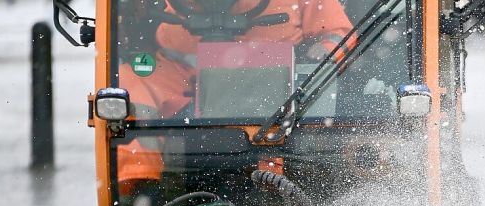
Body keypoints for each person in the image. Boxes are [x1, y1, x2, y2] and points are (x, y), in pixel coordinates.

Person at [116, 0, 355, 191]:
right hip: (186, 94)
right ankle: (140, 185)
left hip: (281, 99)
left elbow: (340, 34)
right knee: (127, 84)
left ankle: (273, 189)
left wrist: (316, 61)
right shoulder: (164, 15)